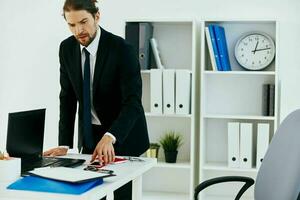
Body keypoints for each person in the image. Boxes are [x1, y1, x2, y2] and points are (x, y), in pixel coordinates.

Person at [44, 0, 150, 199]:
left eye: (83, 22)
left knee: (122, 196)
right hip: (91, 136)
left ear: (97, 16)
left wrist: (111, 136)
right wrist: (65, 144)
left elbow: (133, 102)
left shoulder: (122, 49)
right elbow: (67, 98)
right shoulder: (66, 49)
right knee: (91, 194)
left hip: (123, 135)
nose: (78, 31)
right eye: (72, 25)